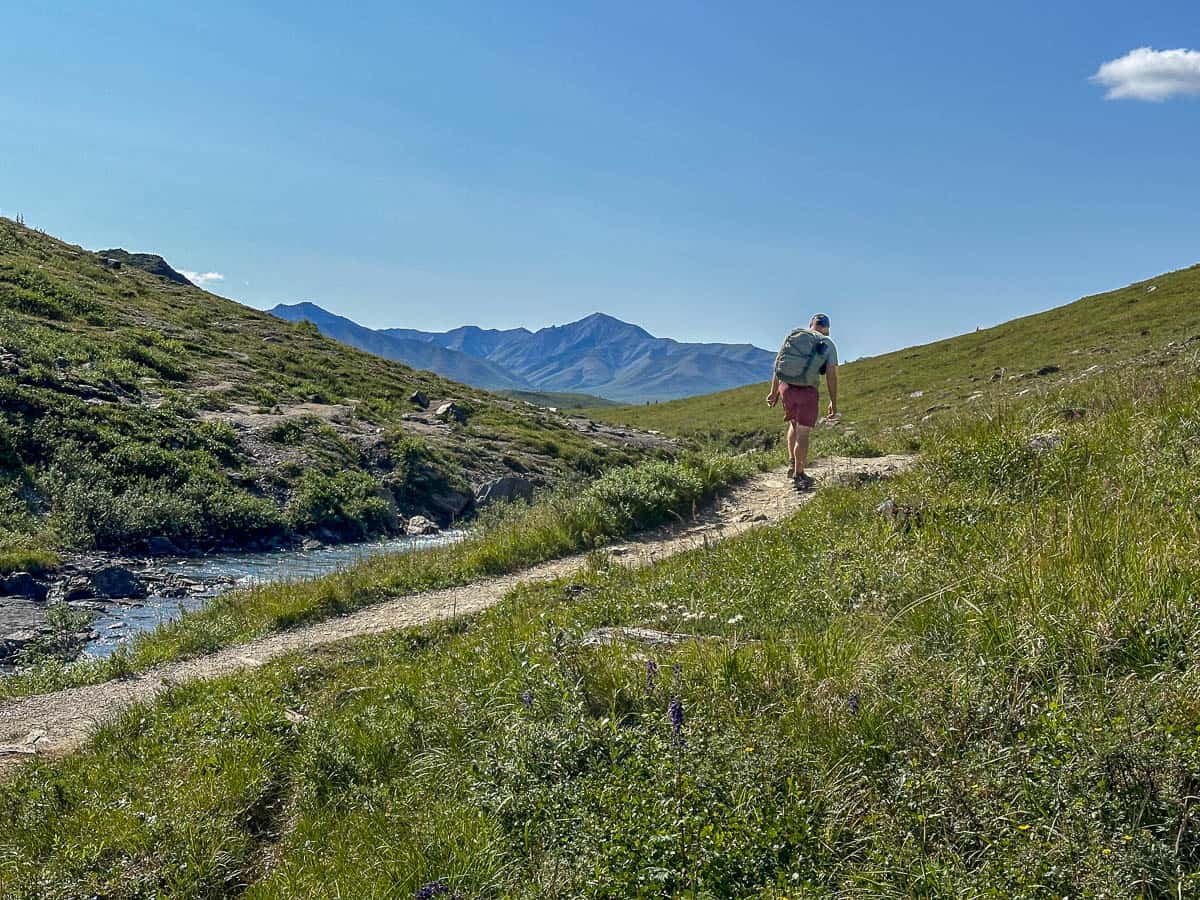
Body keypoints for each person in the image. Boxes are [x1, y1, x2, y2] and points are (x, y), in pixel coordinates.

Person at [766, 313, 838, 489]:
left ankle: (792, 462)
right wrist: (833, 402)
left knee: (793, 425)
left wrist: (774, 392)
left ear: (811, 324)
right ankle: (799, 474)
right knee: (803, 432)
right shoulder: (827, 343)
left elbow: (779, 364)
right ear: (827, 328)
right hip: (807, 391)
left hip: (787, 388)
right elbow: (831, 376)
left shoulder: (795, 335)